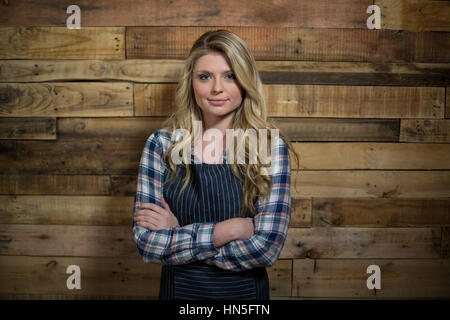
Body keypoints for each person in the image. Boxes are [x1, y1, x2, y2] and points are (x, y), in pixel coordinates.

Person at [132, 29, 300, 300]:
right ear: (191, 83)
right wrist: (227, 231)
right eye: (205, 76)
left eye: (230, 76)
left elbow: (266, 248)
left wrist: (178, 235)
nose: (217, 88)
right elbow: (148, 245)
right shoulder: (162, 145)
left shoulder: (268, 147)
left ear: (245, 82)